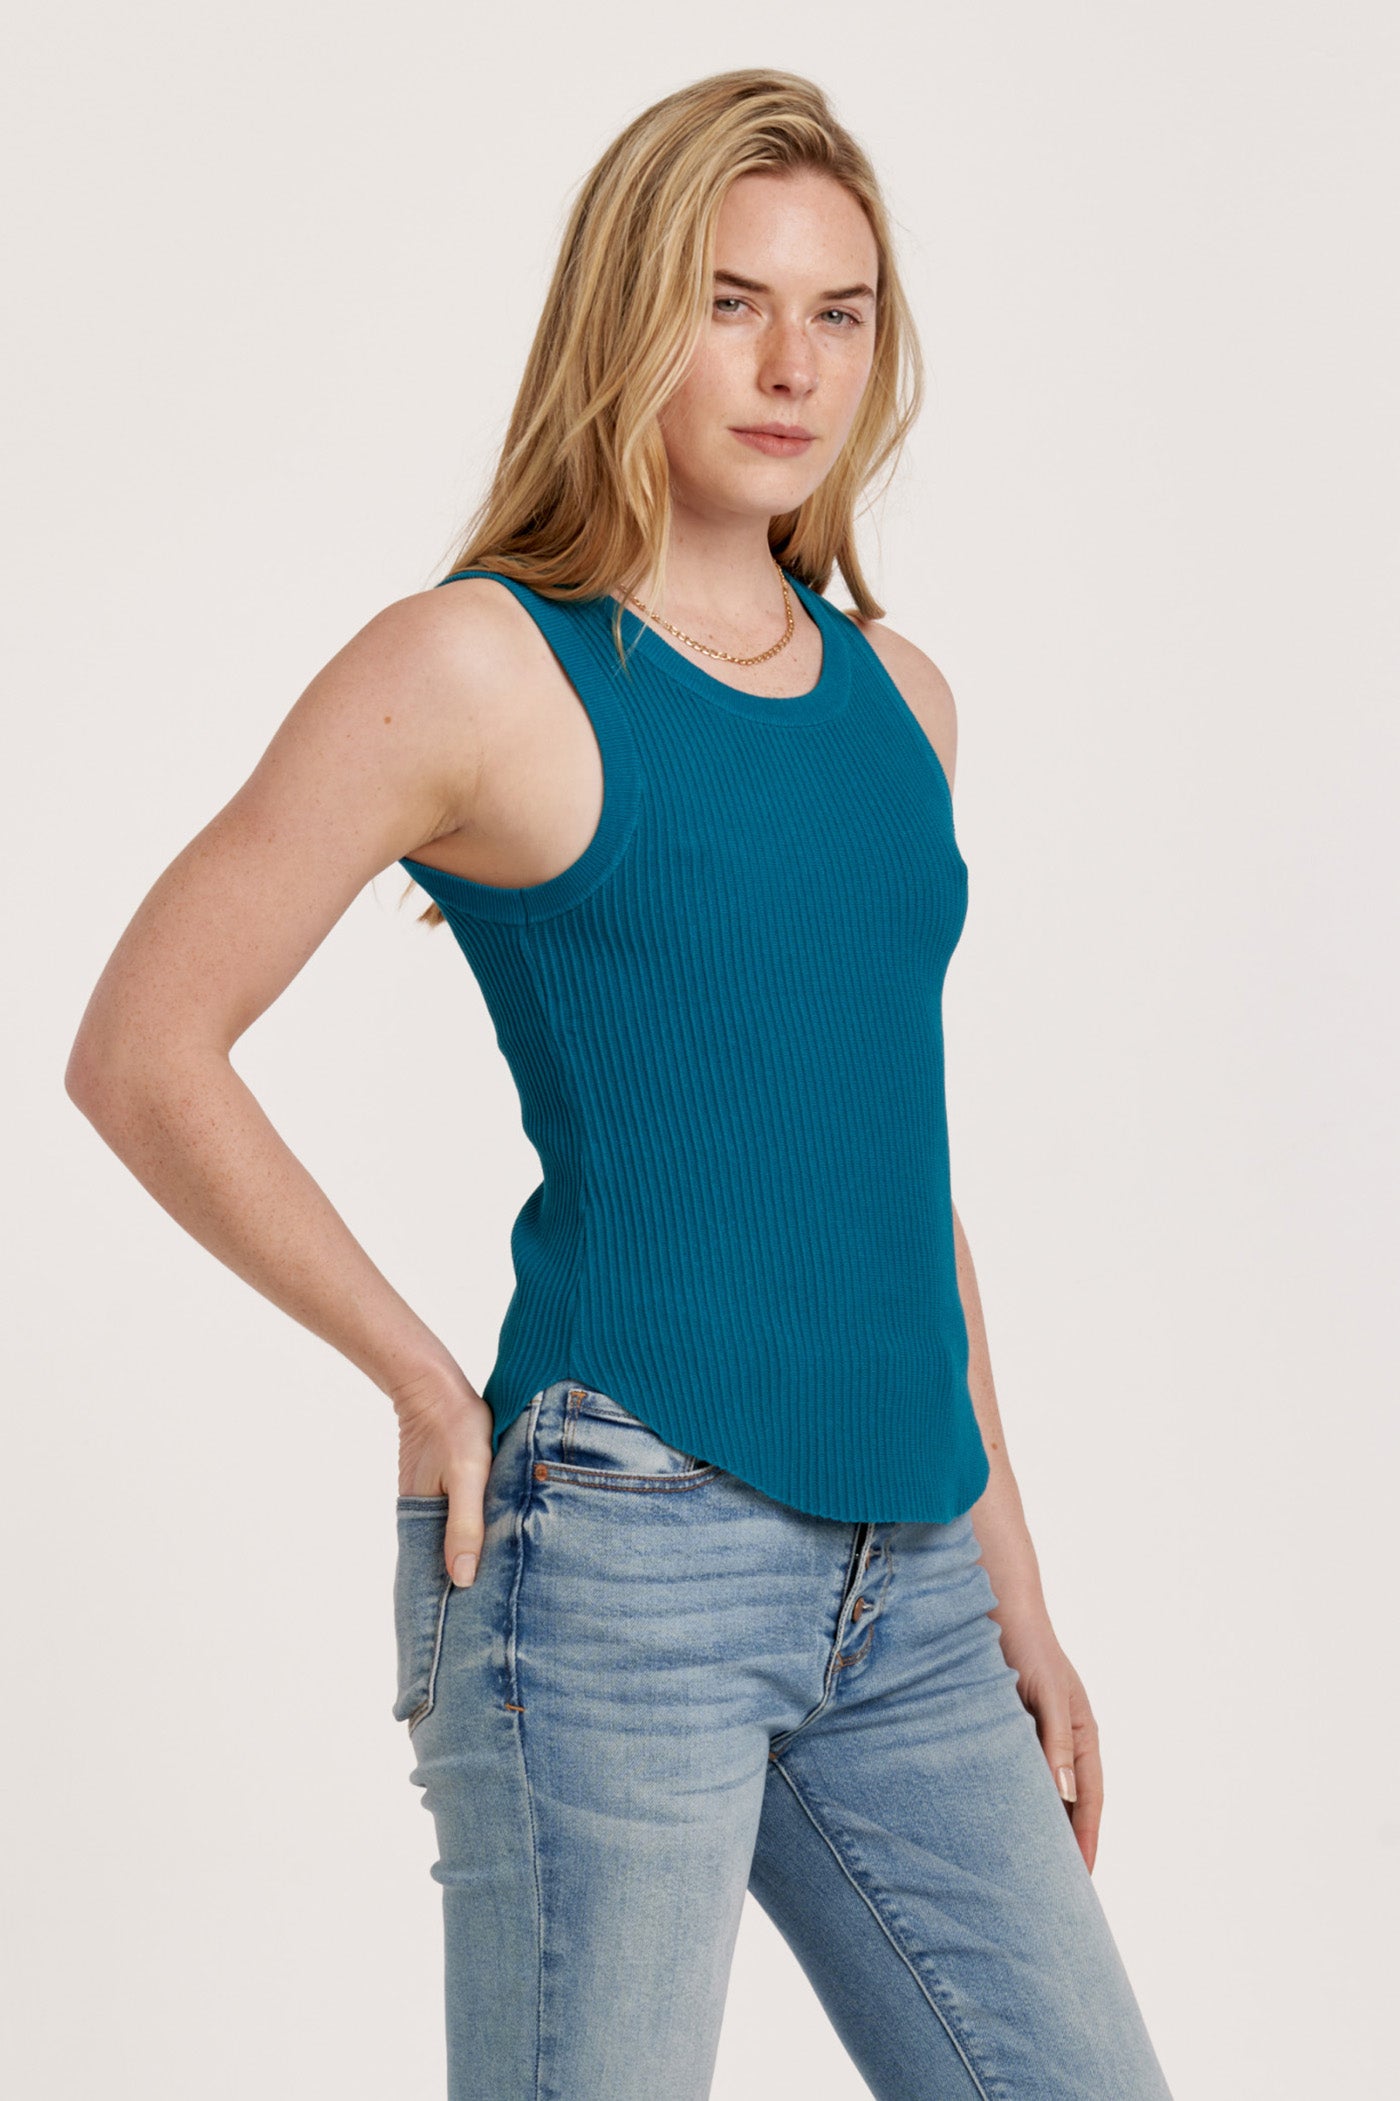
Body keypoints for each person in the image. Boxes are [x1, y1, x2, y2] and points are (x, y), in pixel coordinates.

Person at [65, 65, 1175, 2101]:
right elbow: (141, 1043)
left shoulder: (901, 701)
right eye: (730, 301)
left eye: (839, 313)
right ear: (628, 315)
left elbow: (881, 1157)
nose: (791, 365)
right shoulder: (481, 665)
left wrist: (1013, 1573)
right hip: (622, 1559)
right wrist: (424, 1380)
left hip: (916, 1581)